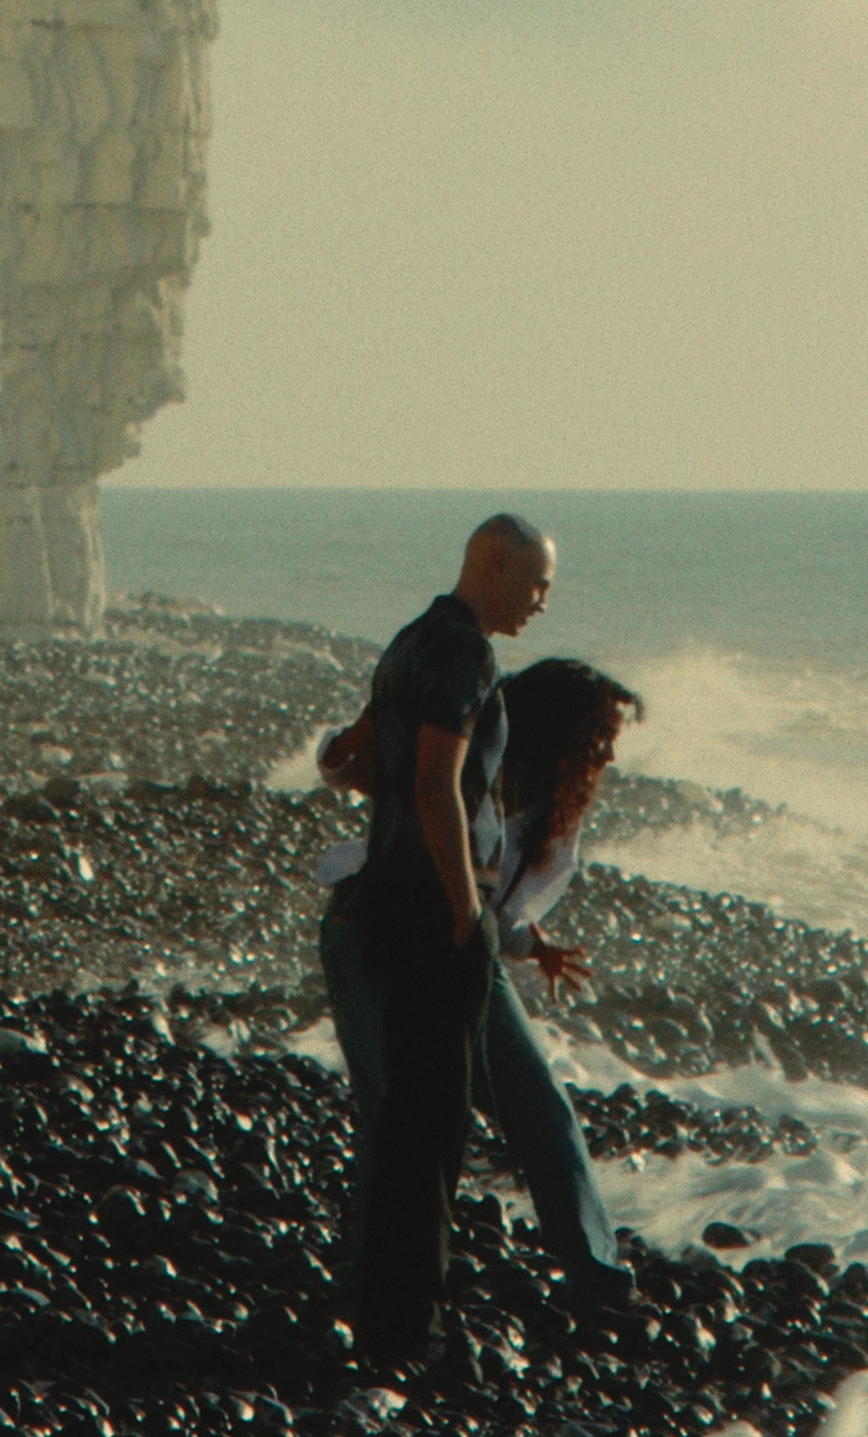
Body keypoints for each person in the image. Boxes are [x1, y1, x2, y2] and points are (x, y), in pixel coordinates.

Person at [318, 659, 644, 1323]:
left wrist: (535, 946)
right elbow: (348, 770)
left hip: (468, 950)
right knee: (394, 1114)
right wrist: (354, 738)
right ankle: (375, 1289)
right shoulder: (466, 763)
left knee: (541, 1104)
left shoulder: (553, 809)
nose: (609, 754)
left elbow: (497, 905)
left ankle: (598, 1278)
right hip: (379, 927)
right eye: (598, 735)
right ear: (556, 729)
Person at [335, 513, 556, 1366]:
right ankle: (409, 1327)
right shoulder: (466, 654)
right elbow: (436, 784)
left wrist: (389, 796)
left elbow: (352, 759)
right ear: (494, 568)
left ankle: (384, 1310)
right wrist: (467, 908)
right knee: (432, 1123)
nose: (542, 602)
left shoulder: (409, 642)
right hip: (433, 911)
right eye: (536, 583)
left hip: (386, 897)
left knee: (404, 1118)